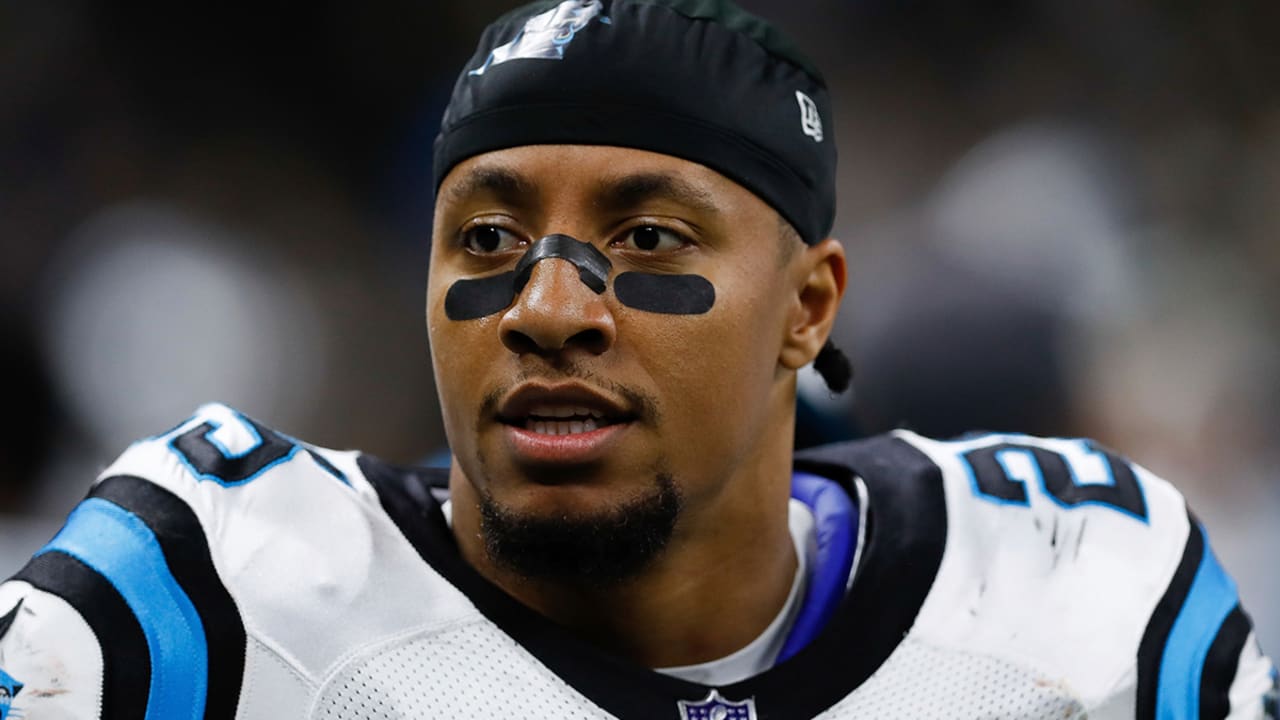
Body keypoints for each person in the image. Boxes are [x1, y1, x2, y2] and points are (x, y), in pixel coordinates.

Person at [1, 1, 1275, 717]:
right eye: (487, 238)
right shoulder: (213, 593)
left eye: (648, 236)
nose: (547, 307)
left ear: (807, 308)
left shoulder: (1081, 591)